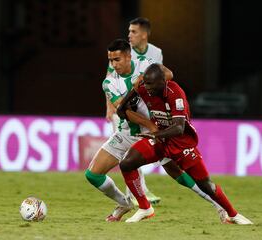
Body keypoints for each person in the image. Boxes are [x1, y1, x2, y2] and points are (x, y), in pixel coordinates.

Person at [86, 39, 226, 222]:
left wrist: (145, 79)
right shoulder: (109, 83)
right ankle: (125, 203)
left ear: (129, 56)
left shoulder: (145, 66)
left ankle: (220, 206)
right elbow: (124, 111)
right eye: (111, 60)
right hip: (127, 133)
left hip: (156, 133)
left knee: (178, 173)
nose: (113, 65)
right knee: (93, 174)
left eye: (117, 59)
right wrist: (150, 125)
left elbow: (169, 74)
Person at [117, 63, 253, 224]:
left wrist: (155, 133)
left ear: (162, 81)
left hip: (182, 143)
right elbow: (120, 110)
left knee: (206, 185)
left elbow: (179, 128)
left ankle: (233, 214)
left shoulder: (176, 93)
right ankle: (145, 207)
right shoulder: (144, 89)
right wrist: (132, 93)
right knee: (127, 163)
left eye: (150, 84)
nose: (147, 88)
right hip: (160, 140)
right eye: (145, 84)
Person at [105, 18, 165, 204]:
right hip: (122, 108)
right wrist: (109, 107)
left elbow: (160, 77)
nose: (129, 35)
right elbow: (110, 78)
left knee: (141, 151)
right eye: (129, 31)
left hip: (146, 109)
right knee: (129, 150)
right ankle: (141, 192)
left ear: (144, 34)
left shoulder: (155, 53)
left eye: (133, 32)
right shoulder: (118, 56)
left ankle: (137, 193)